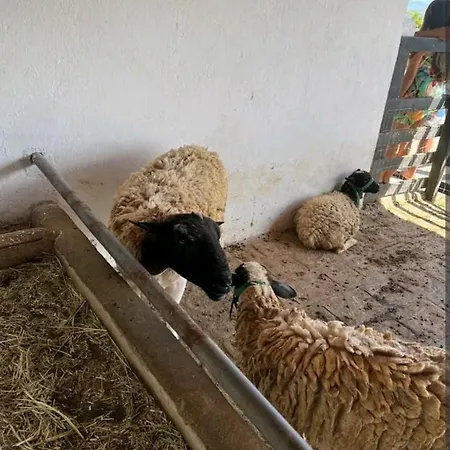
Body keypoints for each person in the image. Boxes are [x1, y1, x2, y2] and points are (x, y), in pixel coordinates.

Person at [381, 0, 450, 184]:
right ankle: (390, 178)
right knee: (406, 144)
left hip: (411, 98)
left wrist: (397, 96)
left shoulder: (425, 43)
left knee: (394, 142)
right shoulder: (442, 48)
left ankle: (383, 179)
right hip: (430, 100)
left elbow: (411, 72)